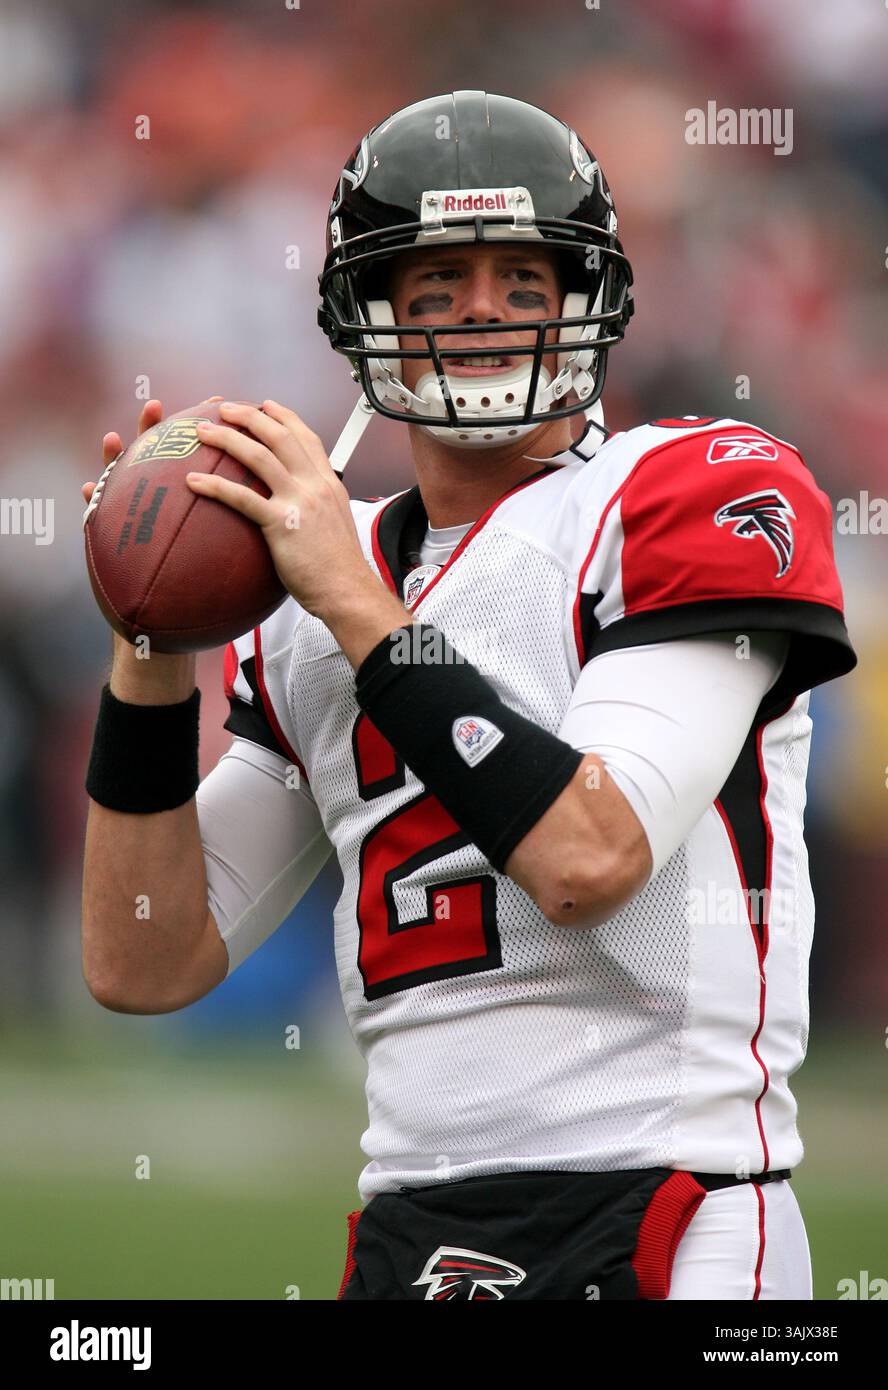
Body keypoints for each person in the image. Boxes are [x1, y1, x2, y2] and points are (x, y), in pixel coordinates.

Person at [81, 91, 856, 1300]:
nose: (483, 309)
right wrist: (152, 636)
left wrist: (357, 607)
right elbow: (144, 956)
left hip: (671, 1207)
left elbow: (589, 857)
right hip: (410, 1225)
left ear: (589, 298)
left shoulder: (684, 491)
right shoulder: (316, 591)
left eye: (522, 279)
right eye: (437, 284)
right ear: (369, 315)